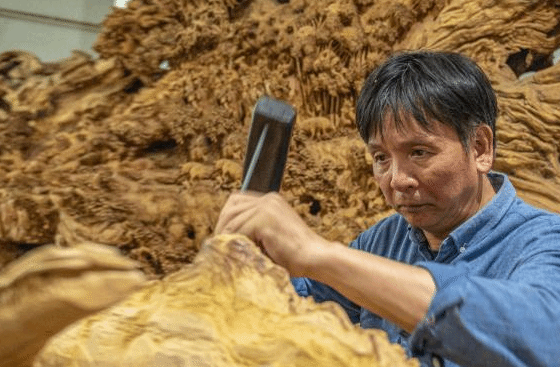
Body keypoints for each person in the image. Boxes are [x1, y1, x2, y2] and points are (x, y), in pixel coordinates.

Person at [214, 50, 560, 367]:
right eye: (381, 158)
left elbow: (542, 337)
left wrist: (317, 253)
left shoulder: (543, 240)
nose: (397, 180)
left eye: (419, 153)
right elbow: (302, 300)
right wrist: (252, 265)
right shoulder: (384, 241)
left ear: (480, 148)